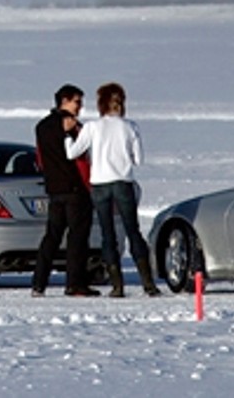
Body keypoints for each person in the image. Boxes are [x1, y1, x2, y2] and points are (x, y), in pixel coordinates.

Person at [66, 82, 160, 297]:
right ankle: (148, 283)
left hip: (99, 183)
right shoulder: (130, 127)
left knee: (109, 236)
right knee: (133, 231)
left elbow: (72, 153)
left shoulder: (92, 127)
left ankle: (117, 286)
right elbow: (138, 159)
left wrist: (66, 137)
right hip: (123, 182)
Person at [31, 83, 96, 297]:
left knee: (52, 236)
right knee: (77, 238)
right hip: (75, 189)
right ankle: (75, 283)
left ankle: (38, 283)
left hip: (54, 189)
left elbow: (40, 158)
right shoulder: (72, 126)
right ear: (65, 101)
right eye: (77, 102)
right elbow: (80, 157)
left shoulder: (41, 127)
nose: (80, 107)